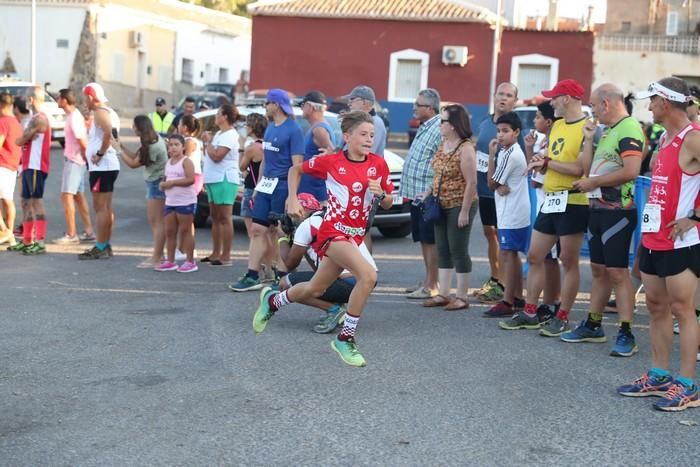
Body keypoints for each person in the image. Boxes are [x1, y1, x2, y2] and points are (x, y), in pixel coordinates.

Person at [252, 110, 394, 367]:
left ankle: (273, 301)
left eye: (372, 135)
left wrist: (382, 193)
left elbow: (387, 203)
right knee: (368, 276)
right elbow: (296, 170)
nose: (369, 139)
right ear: (347, 137)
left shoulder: (378, 165)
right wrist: (293, 198)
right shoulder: (332, 162)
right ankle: (345, 338)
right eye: (363, 134)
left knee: (315, 288)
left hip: (354, 237)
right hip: (332, 232)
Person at [617, 77, 700, 411]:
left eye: (651, 101)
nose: (648, 107)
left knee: (683, 309)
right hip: (654, 238)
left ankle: (688, 385)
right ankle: (659, 374)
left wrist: (695, 217)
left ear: (666, 103)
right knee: (655, 305)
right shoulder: (664, 139)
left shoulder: (692, 138)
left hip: (683, 241)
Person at [560, 83, 644, 357]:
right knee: (597, 268)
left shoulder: (629, 128)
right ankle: (594, 324)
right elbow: (593, 167)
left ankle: (626, 332)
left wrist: (593, 181)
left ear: (606, 104)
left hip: (618, 211)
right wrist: (587, 139)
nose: (592, 111)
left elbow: (631, 171)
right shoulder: (608, 130)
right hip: (598, 209)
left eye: (594, 106)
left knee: (617, 273)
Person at [506, 79, 589, 335]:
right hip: (551, 198)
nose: (551, 102)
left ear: (566, 98)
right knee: (534, 255)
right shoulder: (559, 125)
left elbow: (579, 169)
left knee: (567, 260)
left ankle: (562, 314)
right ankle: (531, 311)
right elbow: (552, 160)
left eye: (554, 97)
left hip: (573, 200)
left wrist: (548, 163)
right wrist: (538, 159)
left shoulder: (587, 127)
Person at [229, 89, 303, 291]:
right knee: (257, 229)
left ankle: (282, 272)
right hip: (265, 187)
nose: (265, 106)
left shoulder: (293, 130)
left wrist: (292, 195)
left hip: (281, 185)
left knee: (279, 231)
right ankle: (253, 274)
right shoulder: (270, 128)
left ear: (277, 105)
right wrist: (257, 186)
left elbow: (297, 166)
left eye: (267, 103)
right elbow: (265, 161)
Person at [279, 193, 378, 334]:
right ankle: (337, 307)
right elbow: (320, 269)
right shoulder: (334, 218)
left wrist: (282, 239)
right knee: (319, 280)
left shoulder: (307, 225)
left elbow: (290, 265)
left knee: (286, 283)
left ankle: (334, 309)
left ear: (301, 211)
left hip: (349, 280)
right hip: (367, 279)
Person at [420, 104, 478, 311]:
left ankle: (462, 296)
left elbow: (471, 182)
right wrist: (428, 192)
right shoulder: (443, 143)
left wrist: (464, 211)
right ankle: (443, 293)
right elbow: (439, 174)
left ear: (453, 125)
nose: (440, 125)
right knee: (443, 249)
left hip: (459, 204)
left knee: (458, 249)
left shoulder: (466, 148)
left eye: (443, 121)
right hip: (440, 203)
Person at [473, 83, 524, 303]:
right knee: (489, 232)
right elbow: (480, 152)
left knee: (504, 238)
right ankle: (495, 278)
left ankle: (505, 282)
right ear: (494, 97)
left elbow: (522, 159)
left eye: (509, 95)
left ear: (514, 101)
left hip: (504, 190)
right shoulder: (485, 122)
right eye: (500, 94)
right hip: (485, 189)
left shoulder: (516, 127)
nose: (503, 98)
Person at [484, 112, 530, 319]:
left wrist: (491, 156)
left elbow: (491, 182)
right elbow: (496, 183)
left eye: (505, 131)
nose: (500, 135)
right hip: (510, 210)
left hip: (512, 212)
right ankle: (518, 296)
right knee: (511, 254)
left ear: (516, 132)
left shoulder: (511, 154)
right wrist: (498, 184)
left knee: (508, 254)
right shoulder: (507, 151)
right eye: (498, 131)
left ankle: (508, 301)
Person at [519, 101, 561, 321]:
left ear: (548, 121)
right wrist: (529, 150)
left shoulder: (552, 143)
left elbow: (535, 181)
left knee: (548, 258)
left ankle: (551, 302)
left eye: (537, 117)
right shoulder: (544, 141)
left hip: (552, 204)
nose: (534, 121)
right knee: (544, 257)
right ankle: (546, 303)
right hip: (546, 204)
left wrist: (536, 160)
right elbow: (533, 174)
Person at [400, 88, 442, 299]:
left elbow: (441, 162)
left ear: (430, 108)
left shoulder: (439, 129)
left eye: (418, 105)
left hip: (427, 194)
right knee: (423, 240)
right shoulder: (426, 126)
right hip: (416, 193)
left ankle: (432, 284)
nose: (414, 108)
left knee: (429, 240)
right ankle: (427, 279)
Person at [116, 115, 167, 268]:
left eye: (133, 125)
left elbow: (133, 164)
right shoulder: (151, 140)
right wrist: (121, 146)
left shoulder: (153, 146)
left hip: (156, 184)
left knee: (157, 222)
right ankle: (159, 254)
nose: (132, 128)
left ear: (139, 127)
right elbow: (136, 157)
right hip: (154, 182)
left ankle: (157, 257)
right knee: (155, 221)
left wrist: (118, 150)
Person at [8, 86, 51, 255]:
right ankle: (27, 240)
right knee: (25, 202)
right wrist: (25, 136)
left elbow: (21, 140)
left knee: (36, 202)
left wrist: (25, 136)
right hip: (27, 166)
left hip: (36, 166)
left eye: (27, 98)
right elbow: (22, 139)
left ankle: (40, 242)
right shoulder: (32, 119)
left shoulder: (40, 119)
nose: (26, 101)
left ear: (32, 100)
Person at [79, 83, 120, 260]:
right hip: (106, 167)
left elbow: (108, 134)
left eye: (84, 98)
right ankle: (106, 244)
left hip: (103, 167)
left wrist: (100, 153)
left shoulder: (101, 113)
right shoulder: (107, 111)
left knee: (100, 208)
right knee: (106, 207)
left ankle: (101, 246)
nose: (83, 101)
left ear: (89, 97)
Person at [238, 113, 278, 281]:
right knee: (270, 233)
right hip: (269, 189)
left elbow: (242, 166)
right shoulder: (268, 146)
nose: (245, 128)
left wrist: (241, 147)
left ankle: (260, 267)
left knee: (254, 233)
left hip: (251, 189)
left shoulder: (252, 147)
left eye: (247, 125)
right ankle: (271, 267)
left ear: (252, 128)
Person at [200, 104, 240, 267]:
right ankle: (216, 252)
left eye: (218, 114)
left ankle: (226, 255)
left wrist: (208, 143)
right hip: (213, 178)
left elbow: (217, 156)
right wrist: (208, 143)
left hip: (225, 179)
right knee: (215, 217)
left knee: (225, 217)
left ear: (225, 116)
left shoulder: (231, 135)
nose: (215, 117)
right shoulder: (218, 134)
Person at [54, 89, 95, 245]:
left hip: (74, 161)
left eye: (58, 98)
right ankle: (89, 231)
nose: (57, 100)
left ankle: (71, 234)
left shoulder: (74, 118)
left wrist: (84, 159)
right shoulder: (73, 116)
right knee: (78, 196)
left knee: (66, 195)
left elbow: (82, 141)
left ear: (64, 100)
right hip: (76, 161)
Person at [157, 134, 198, 273]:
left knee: (185, 231)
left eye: (176, 145)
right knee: (170, 231)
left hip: (185, 201)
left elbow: (191, 179)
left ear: (183, 147)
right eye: (171, 145)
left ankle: (190, 261)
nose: (173, 148)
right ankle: (170, 260)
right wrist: (163, 184)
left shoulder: (186, 161)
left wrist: (173, 183)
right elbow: (166, 177)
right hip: (170, 201)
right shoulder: (168, 162)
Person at [299, 90, 335, 203]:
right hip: (311, 194)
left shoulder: (319, 130)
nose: (301, 109)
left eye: (302, 106)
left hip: (315, 198)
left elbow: (334, 154)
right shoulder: (318, 127)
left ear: (309, 106)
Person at [177, 115, 204, 261]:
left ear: (185, 127)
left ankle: (185, 249)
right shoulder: (193, 141)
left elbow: (183, 159)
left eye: (180, 124)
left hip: (192, 178)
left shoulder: (189, 141)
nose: (178, 126)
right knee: (186, 218)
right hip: (192, 177)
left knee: (185, 217)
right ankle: (184, 248)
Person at [0, 92, 22, 246]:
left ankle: (6, 231)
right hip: (12, 165)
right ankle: (10, 233)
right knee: (8, 200)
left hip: (2, 164)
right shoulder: (15, 122)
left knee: (5, 201)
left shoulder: (2, 122)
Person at [346, 85, 385, 156]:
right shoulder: (354, 121)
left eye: (352, 99)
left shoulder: (375, 123)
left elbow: (365, 155)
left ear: (364, 103)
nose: (349, 104)